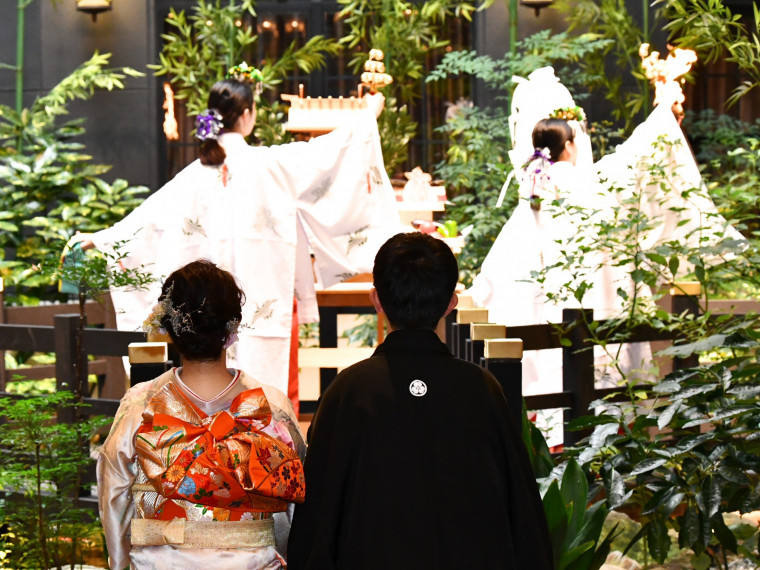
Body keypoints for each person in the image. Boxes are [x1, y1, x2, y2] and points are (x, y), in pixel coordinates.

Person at [69, 64, 402, 406]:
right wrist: (368, 114)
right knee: (269, 392)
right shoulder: (271, 164)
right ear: (246, 114)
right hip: (265, 299)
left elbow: (148, 220)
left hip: (208, 313)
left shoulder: (195, 174)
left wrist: (103, 238)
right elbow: (329, 153)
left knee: (209, 385)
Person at [287, 232, 552, 570]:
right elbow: (522, 513)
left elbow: (318, 517)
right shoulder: (481, 389)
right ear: (449, 304)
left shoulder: (348, 391)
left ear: (376, 299)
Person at [97, 259, 306, 569]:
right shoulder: (268, 406)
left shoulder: (141, 405)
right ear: (232, 327)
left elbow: (114, 496)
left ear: (168, 329)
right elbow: (293, 503)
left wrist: (120, 562)